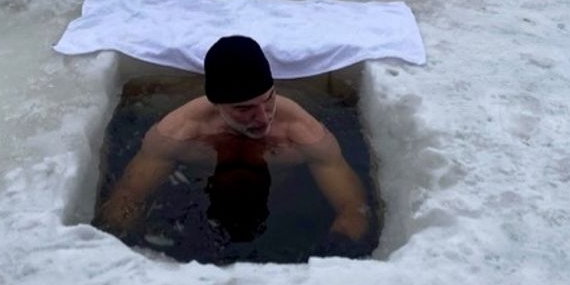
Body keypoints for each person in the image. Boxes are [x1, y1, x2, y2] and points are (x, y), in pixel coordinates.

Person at [98, 35, 376, 259]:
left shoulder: (303, 134)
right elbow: (129, 196)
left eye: (269, 99)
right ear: (216, 104)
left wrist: (337, 248)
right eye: (245, 109)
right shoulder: (177, 134)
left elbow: (354, 207)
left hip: (285, 211)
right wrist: (117, 246)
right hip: (198, 207)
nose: (263, 118)